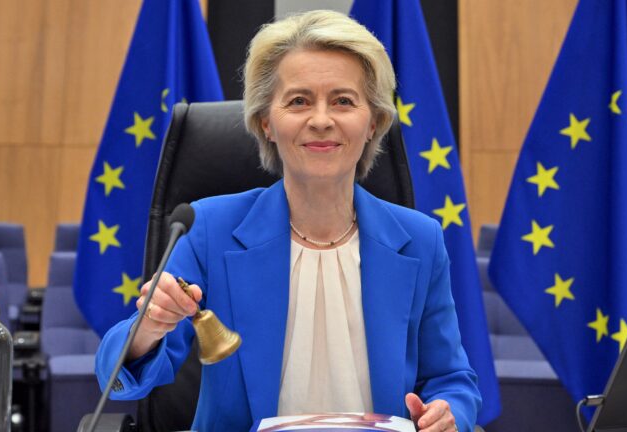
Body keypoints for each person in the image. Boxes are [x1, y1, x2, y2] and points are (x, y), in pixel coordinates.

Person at [96, 9, 480, 432]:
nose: (320, 120)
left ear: (373, 122)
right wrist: (150, 326)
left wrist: (448, 414)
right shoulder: (208, 228)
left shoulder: (419, 240)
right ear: (267, 123)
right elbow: (117, 379)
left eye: (343, 101)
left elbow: (452, 379)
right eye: (298, 101)